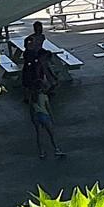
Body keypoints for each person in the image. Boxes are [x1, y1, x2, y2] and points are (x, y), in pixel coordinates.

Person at [19, 27, 62, 159]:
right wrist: (52, 118)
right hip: (45, 115)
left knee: (39, 134)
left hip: (36, 116)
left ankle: (41, 151)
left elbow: (31, 109)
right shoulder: (44, 97)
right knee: (51, 133)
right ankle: (56, 149)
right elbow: (48, 108)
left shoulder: (33, 97)